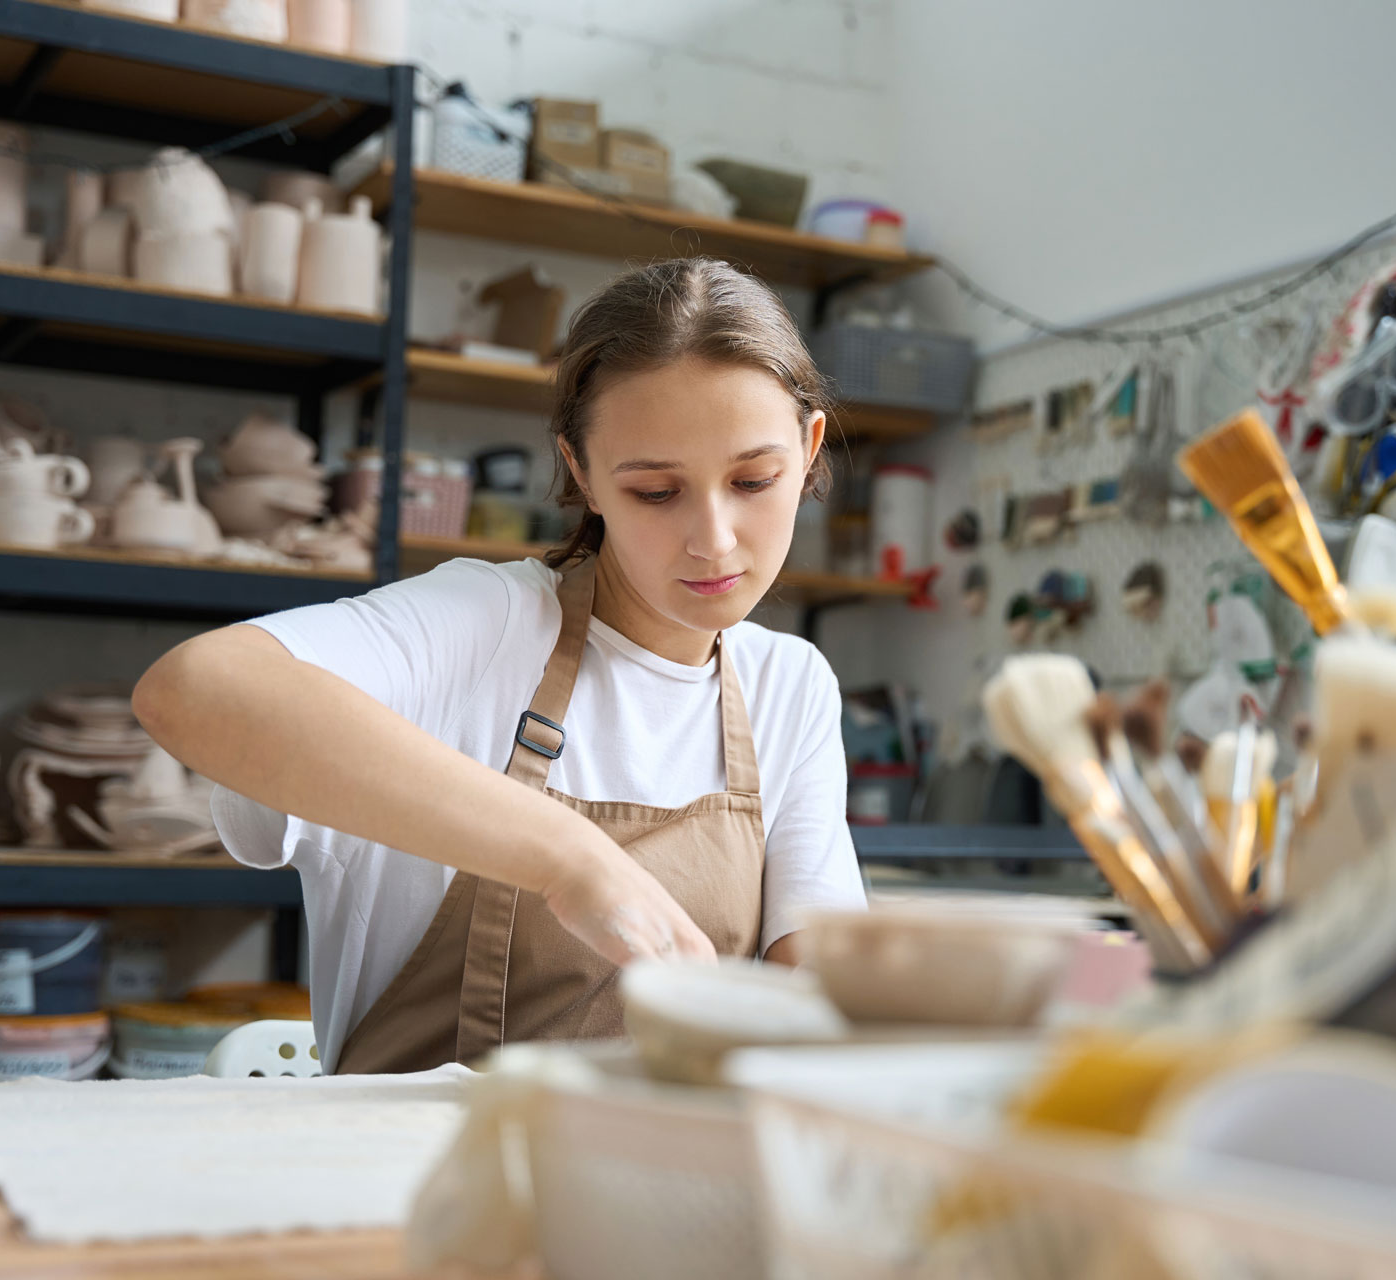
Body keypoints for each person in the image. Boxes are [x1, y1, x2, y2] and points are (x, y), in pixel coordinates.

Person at [132, 258, 866, 1073]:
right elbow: (194, 689)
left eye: (754, 480)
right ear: (582, 472)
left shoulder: (789, 686)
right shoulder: (487, 627)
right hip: (406, 1182)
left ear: (808, 449)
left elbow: (817, 987)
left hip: (664, 1175)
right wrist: (568, 858)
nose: (715, 538)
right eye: (656, 492)